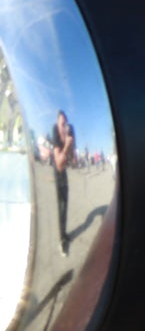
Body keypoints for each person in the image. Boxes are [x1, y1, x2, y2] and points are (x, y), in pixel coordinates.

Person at [50, 110, 74, 256]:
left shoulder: (66, 133)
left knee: (66, 201)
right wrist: (66, 145)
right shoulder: (54, 131)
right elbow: (59, 162)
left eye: (65, 122)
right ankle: (61, 241)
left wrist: (69, 141)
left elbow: (70, 157)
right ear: (58, 120)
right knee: (61, 205)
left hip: (64, 171)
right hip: (58, 171)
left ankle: (64, 234)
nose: (64, 124)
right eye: (62, 121)